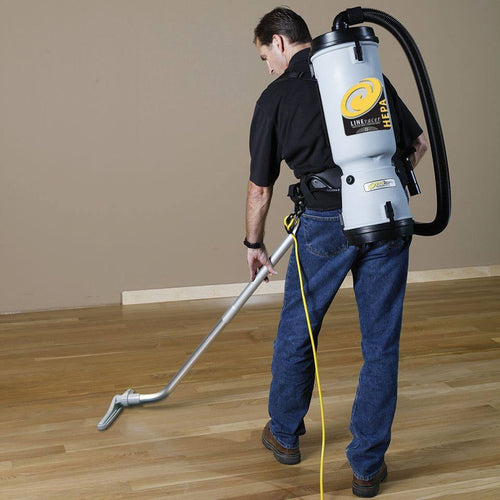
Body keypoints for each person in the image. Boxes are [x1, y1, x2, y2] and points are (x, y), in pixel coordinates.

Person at [245, 7, 428, 498]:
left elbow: (260, 189)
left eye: (266, 55)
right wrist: (383, 180)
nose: (268, 66)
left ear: (281, 43)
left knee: (298, 330)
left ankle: (283, 435)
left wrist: (254, 244)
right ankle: (367, 468)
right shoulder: (363, 73)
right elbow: (418, 145)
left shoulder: (276, 96)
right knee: (381, 344)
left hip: (324, 223)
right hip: (386, 215)